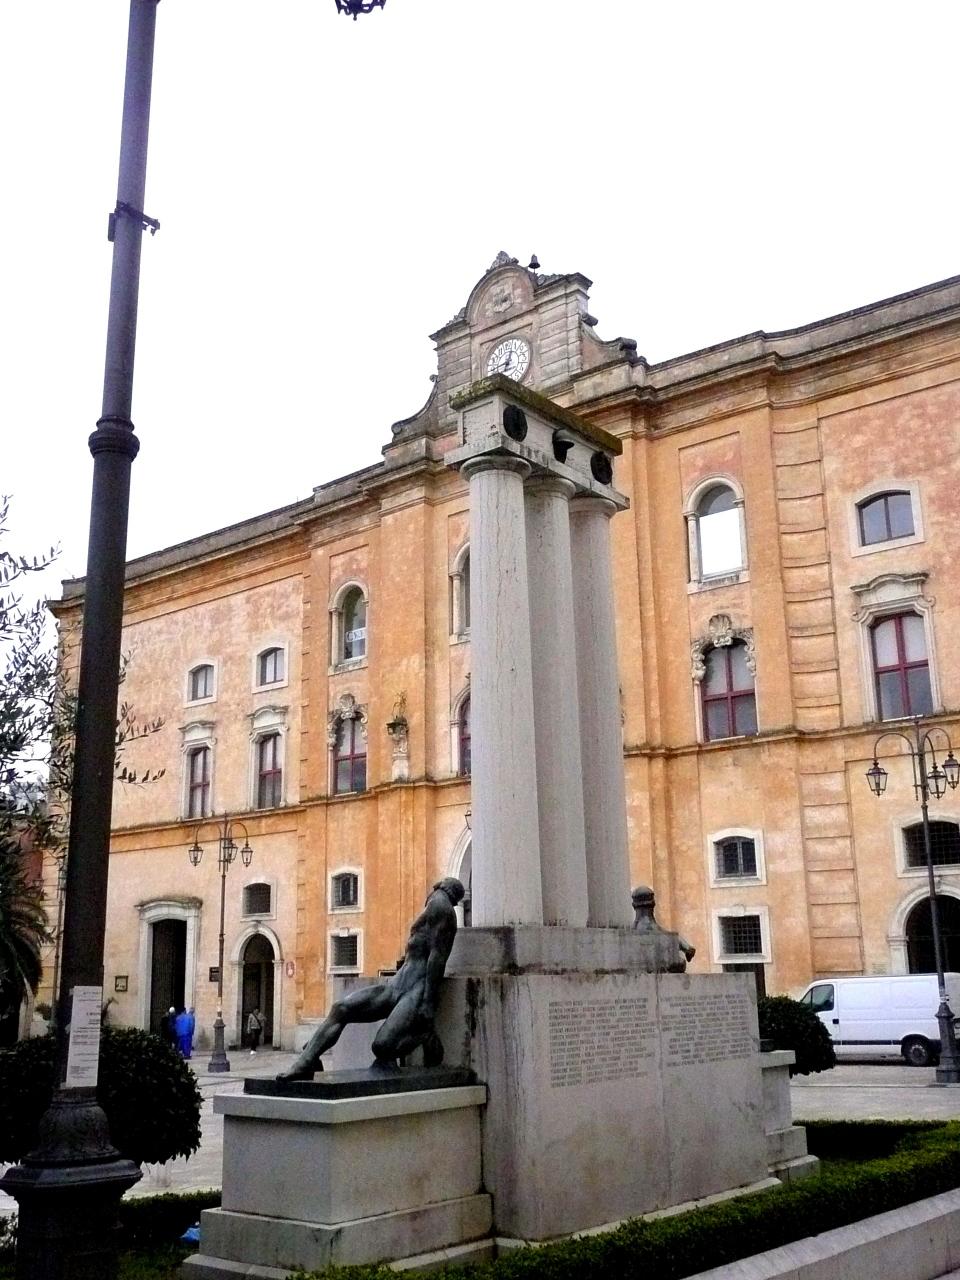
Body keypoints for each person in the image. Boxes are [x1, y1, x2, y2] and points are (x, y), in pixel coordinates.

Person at [278, 877, 465, 1081]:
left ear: (443, 889)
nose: (431, 891)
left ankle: (424, 1034)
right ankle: (307, 1061)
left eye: (435, 888)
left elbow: (437, 959)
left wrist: (428, 1002)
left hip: (415, 991)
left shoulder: (441, 907)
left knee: (382, 1047)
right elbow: (419, 951)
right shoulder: (433, 907)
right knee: (341, 1008)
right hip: (397, 984)